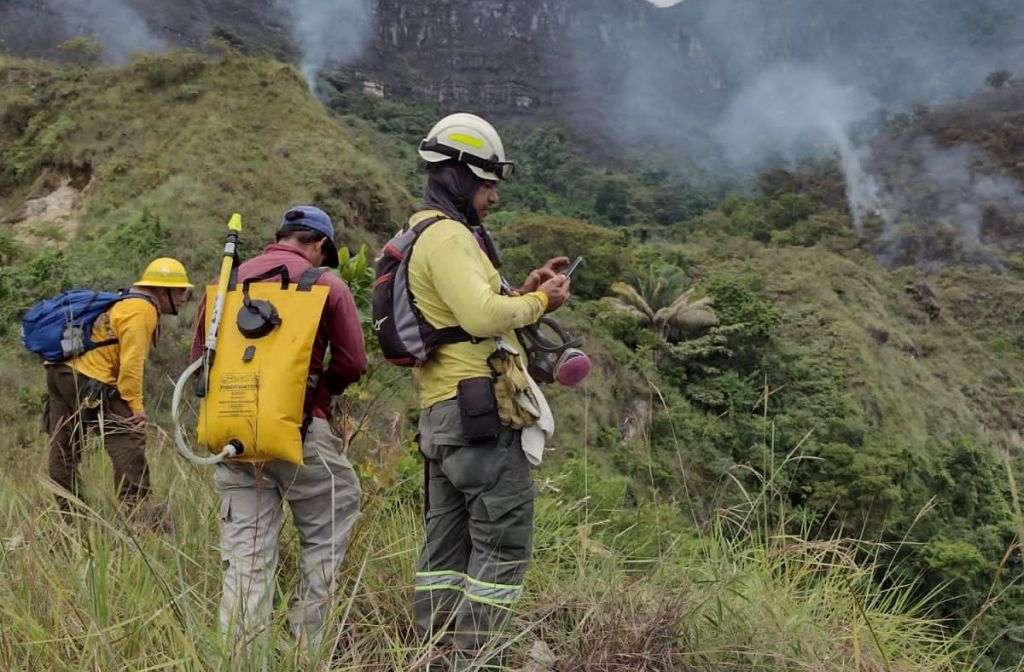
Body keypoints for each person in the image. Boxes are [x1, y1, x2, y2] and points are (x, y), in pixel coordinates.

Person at [406, 113, 571, 670]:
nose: (493, 196)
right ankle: (477, 661)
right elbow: (479, 315)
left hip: (442, 418)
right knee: (501, 548)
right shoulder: (449, 236)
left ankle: (433, 654)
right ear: (456, 176)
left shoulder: (421, 235)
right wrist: (543, 304)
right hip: (479, 415)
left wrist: (521, 292)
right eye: (486, 183)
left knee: (445, 553)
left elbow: (471, 309)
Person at [190, 205, 366, 654]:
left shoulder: (225, 285)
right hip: (303, 435)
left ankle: (240, 659)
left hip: (234, 439)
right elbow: (352, 362)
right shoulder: (326, 283)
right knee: (327, 533)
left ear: (281, 236)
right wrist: (319, 395)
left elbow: (198, 363)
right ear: (320, 245)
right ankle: (303, 651)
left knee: (246, 562)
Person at [46, 257, 193, 521]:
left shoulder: (123, 301)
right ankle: (138, 516)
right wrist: (136, 407)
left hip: (59, 372)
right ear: (163, 291)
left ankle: (71, 521)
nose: (184, 297)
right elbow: (132, 362)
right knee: (129, 438)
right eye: (180, 291)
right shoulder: (142, 309)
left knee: (63, 447)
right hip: (88, 379)